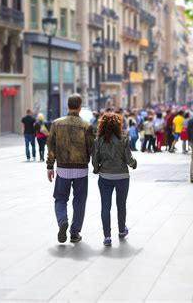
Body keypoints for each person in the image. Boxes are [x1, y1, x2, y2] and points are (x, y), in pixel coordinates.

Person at [46, 94, 94, 244]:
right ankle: (75, 233)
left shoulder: (56, 124)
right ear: (80, 107)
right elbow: (91, 148)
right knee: (79, 201)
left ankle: (62, 221)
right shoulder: (86, 126)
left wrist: (49, 166)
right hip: (81, 169)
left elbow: (51, 147)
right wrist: (97, 166)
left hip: (63, 168)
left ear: (67, 106)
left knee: (60, 198)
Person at [92, 113, 137, 246]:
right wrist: (134, 164)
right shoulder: (123, 139)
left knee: (105, 207)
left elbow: (94, 160)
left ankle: (107, 237)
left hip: (105, 176)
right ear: (118, 125)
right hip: (122, 177)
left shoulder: (98, 140)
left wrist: (97, 169)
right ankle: (122, 230)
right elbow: (129, 160)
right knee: (121, 205)